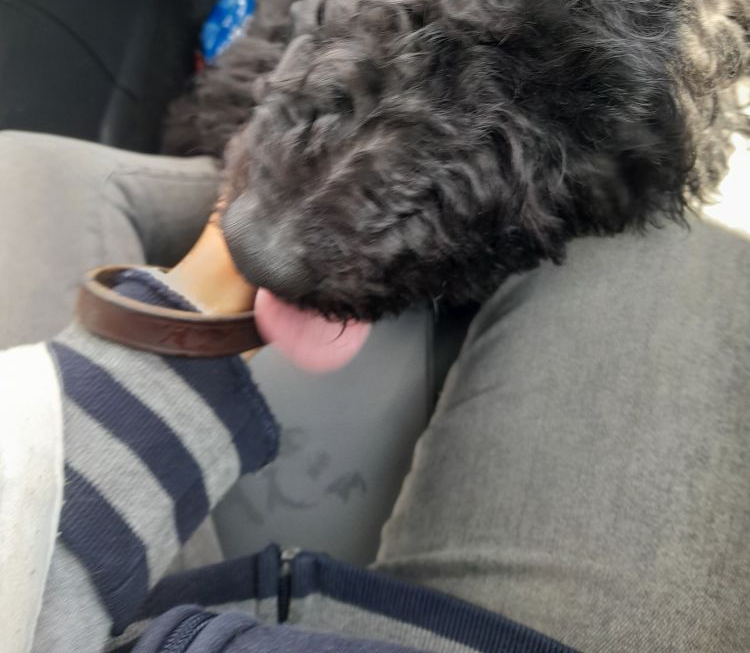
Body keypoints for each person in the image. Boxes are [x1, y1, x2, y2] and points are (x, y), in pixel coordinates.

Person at [1, 129, 749, 653]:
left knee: (21, 172)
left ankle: (264, 149)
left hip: (107, 620)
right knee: (664, 242)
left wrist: (182, 312)